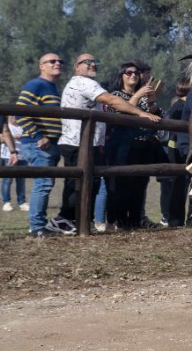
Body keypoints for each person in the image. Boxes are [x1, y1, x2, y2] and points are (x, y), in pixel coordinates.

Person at [57, 53, 160, 231]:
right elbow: (113, 102)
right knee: (80, 185)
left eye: (95, 62)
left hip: (90, 143)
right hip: (80, 142)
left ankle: (81, 223)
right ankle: (67, 220)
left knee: (90, 184)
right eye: (87, 62)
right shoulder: (84, 82)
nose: (92, 65)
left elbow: (158, 116)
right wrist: (141, 113)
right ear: (76, 67)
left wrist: (149, 104)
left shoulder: (86, 83)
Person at [104, 62, 165, 230]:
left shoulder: (144, 98)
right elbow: (120, 114)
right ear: (121, 76)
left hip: (143, 147)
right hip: (122, 148)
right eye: (128, 72)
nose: (133, 75)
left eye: (136, 73)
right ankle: (119, 221)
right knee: (122, 185)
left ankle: (135, 221)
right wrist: (137, 96)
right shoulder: (115, 95)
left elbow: (159, 117)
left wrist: (152, 103)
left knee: (140, 185)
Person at [15, 53, 66, 237]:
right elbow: (19, 112)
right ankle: (36, 227)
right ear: (41, 66)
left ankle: (38, 225)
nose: (57, 63)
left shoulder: (53, 88)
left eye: (60, 61)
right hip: (39, 144)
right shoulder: (35, 85)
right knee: (43, 184)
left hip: (51, 144)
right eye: (52, 61)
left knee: (46, 183)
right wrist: (38, 136)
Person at [158, 78, 192, 228]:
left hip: (181, 146)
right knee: (179, 183)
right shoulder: (178, 106)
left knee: (186, 183)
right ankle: (174, 218)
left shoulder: (179, 104)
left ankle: (191, 217)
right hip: (177, 148)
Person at [1, 115, 26, 212]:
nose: (14, 117)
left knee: (21, 181)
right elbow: (2, 137)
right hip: (8, 156)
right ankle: (6, 202)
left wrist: (22, 136)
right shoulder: (6, 126)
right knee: (7, 180)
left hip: (23, 156)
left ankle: (22, 202)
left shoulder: (23, 127)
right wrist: (12, 137)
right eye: (12, 115)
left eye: (16, 115)